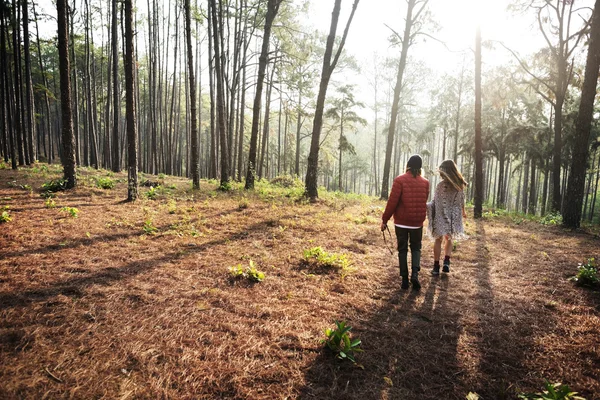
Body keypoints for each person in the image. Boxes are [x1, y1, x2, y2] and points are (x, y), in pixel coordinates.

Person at [381, 154, 430, 290]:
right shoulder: (425, 182)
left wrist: (385, 219)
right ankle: (415, 274)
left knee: (402, 249)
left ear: (408, 165)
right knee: (416, 248)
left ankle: (404, 279)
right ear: (420, 167)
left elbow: (392, 202)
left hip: (401, 222)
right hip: (417, 222)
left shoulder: (399, 180)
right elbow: (423, 200)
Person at [428, 159, 468, 275]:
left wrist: (427, 206)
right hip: (453, 217)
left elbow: (435, 202)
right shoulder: (458, 185)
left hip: (440, 215)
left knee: (438, 240)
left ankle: (436, 267)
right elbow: (461, 201)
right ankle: (446, 262)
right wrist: (463, 212)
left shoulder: (440, 186)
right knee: (449, 239)